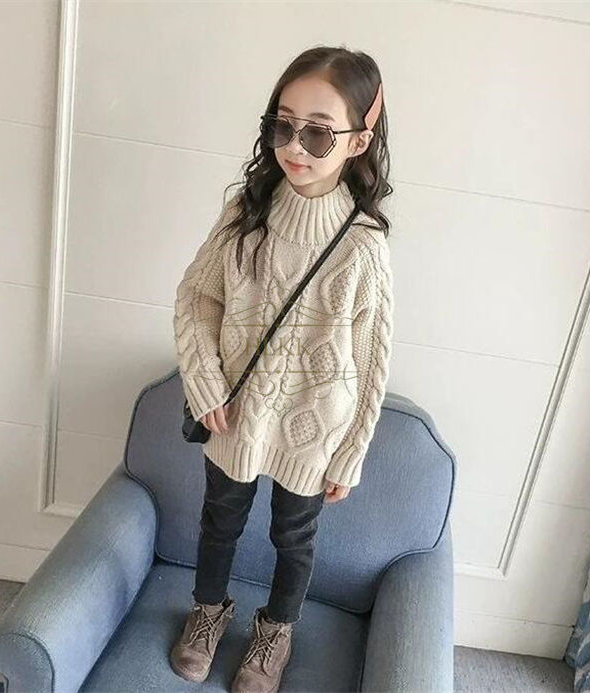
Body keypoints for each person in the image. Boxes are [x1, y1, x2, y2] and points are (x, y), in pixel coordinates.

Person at [170, 45, 394, 693]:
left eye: (318, 132)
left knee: (294, 538)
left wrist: (351, 451)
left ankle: (276, 630)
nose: (294, 146)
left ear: (358, 141)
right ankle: (207, 612)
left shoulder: (364, 244)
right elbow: (196, 298)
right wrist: (205, 380)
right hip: (235, 411)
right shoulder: (247, 209)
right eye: (282, 125)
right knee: (220, 519)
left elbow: (373, 359)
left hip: (313, 422)